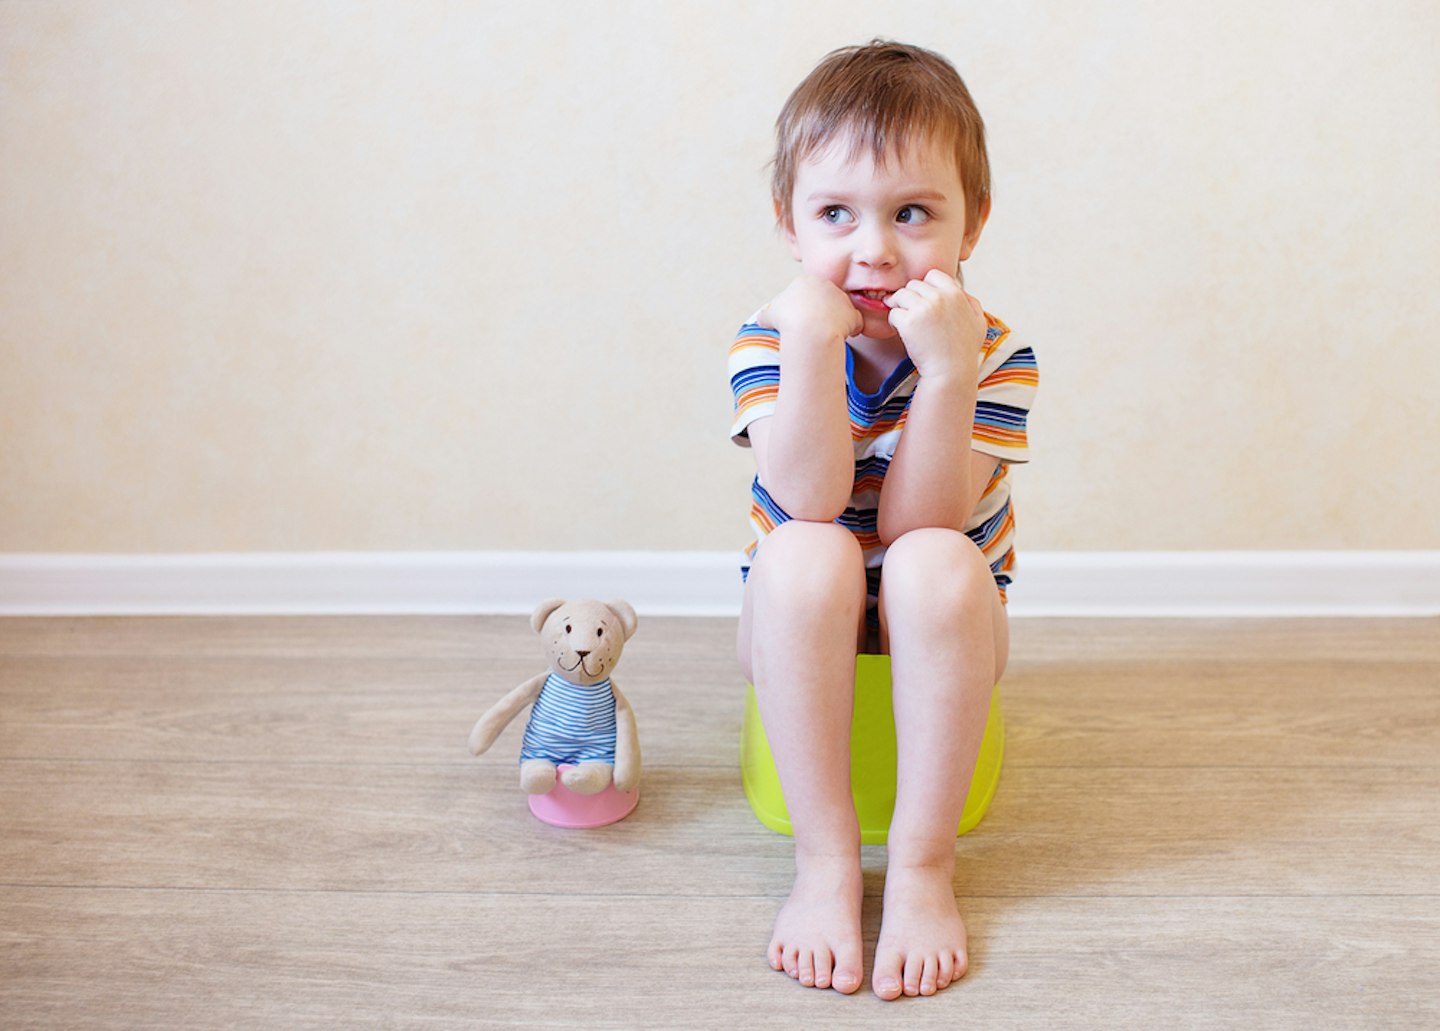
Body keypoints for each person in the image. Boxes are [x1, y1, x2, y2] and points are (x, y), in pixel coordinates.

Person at [728, 40, 1039, 1000]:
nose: (873, 249)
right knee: (805, 552)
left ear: (971, 223)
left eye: (912, 213)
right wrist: (811, 352)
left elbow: (920, 524)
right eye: (836, 214)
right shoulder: (771, 336)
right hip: (796, 618)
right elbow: (810, 501)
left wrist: (945, 373)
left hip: (942, 613)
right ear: (789, 224)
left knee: (936, 561)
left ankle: (922, 864)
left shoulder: (992, 349)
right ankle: (824, 860)